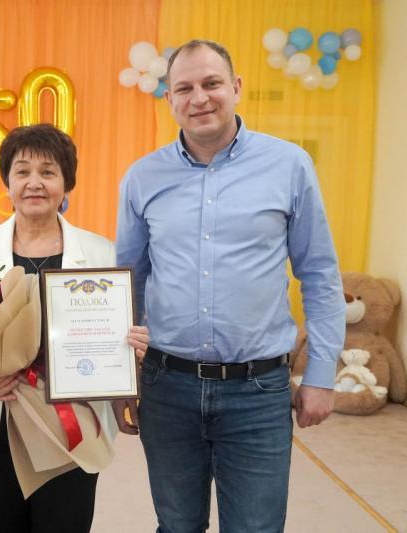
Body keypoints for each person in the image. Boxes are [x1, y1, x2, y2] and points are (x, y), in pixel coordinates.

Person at [114, 39, 346, 532]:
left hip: (257, 391)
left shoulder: (290, 165)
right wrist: (119, 380)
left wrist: (322, 374)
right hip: (167, 387)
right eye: (184, 88)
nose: (199, 98)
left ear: (236, 87)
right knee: (177, 526)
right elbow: (128, 282)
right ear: (169, 99)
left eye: (211, 83)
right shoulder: (142, 178)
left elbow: (320, 274)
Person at [0, 124, 149, 533]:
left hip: (72, 422)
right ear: (7, 182)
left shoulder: (101, 252)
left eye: (48, 172)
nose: (34, 183)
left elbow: (113, 337)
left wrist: (128, 365)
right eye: (22, 172)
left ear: (66, 183)